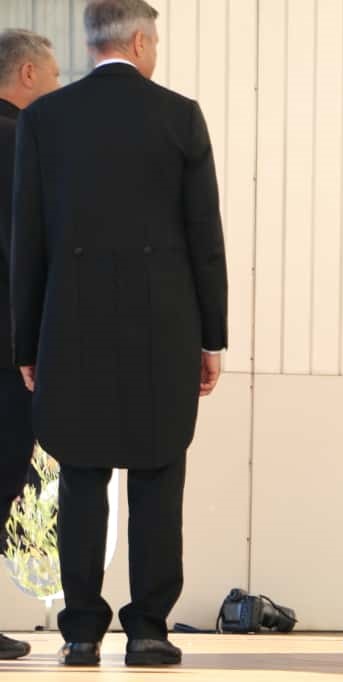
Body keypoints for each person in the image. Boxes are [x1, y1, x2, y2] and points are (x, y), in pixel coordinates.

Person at [11, 0, 227, 666]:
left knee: (80, 479)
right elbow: (204, 240)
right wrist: (211, 337)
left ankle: (79, 632)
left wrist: (27, 344)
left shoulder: (44, 119)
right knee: (157, 477)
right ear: (139, 41)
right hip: (164, 325)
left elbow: (29, 240)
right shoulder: (179, 116)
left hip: (70, 325)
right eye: (154, 40)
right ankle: (149, 629)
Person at [0, 27, 60, 662]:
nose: (56, 85)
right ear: (25, 77)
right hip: (5, 346)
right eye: (53, 74)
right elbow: (26, 255)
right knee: (4, 472)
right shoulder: (19, 145)